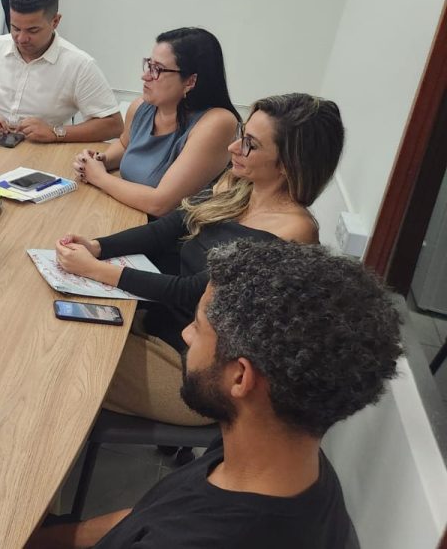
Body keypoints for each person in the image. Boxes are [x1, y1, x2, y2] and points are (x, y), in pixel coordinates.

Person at [29, 240, 402, 548]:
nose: (187, 336)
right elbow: (141, 518)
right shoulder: (289, 461)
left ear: (240, 377)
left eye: (198, 326)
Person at [55, 93, 344, 425]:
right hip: (160, 326)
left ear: (288, 164)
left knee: (67, 360)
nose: (233, 148)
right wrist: (97, 247)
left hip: (196, 369)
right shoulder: (239, 186)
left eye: (250, 144)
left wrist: (95, 270)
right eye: (241, 135)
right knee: (62, 326)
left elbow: (192, 291)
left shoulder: (291, 234)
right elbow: (167, 228)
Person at [73, 28, 240, 217]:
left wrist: (99, 177)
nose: (145, 76)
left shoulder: (217, 123)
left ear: (190, 81)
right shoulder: (141, 107)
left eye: (157, 70)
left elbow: (160, 204)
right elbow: (125, 145)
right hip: (126, 214)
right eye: (149, 65)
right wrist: (99, 160)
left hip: (174, 237)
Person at [0, 0, 122, 143]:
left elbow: (113, 125)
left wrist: (55, 133)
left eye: (32, 30)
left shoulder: (79, 65)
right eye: (15, 28)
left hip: (42, 152)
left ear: (55, 21)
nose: (21, 38)